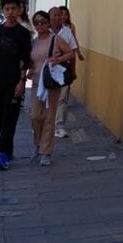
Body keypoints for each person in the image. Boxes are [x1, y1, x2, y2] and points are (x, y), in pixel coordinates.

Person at [0, 0, 31, 171]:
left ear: (19, 10)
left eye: (13, 9)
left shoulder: (23, 33)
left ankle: (3, 155)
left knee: (10, 118)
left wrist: (21, 82)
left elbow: (26, 60)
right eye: (7, 9)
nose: (10, 12)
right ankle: (8, 148)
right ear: (3, 10)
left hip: (14, 82)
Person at [28, 10, 74, 166]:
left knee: (49, 117)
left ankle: (45, 152)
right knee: (35, 116)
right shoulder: (34, 42)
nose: (39, 25)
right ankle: (38, 144)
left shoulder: (56, 39)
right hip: (36, 83)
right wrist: (28, 71)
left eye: (42, 22)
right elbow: (31, 60)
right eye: (36, 23)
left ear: (48, 23)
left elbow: (71, 54)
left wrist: (59, 59)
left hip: (52, 83)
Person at [49, 6, 80, 138]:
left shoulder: (67, 32)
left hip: (63, 69)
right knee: (48, 98)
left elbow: (72, 53)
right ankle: (47, 125)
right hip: (48, 71)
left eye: (60, 15)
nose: (59, 17)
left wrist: (73, 71)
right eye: (55, 15)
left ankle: (59, 126)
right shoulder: (45, 31)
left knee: (62, 98)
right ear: (50, 17)